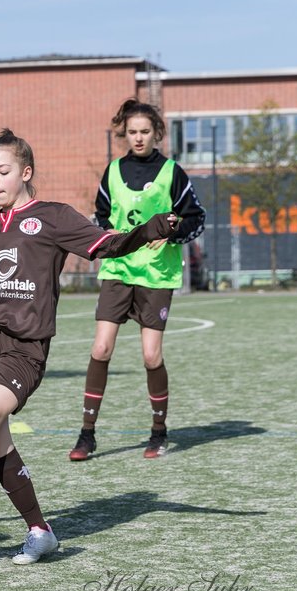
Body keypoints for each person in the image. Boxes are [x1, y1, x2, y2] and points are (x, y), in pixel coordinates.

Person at [0, 129, 178, 563]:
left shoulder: (53, 216)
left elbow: (105, 244)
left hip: (24, 347)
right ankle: (40, 530)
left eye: (4, 171)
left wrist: (145, 231)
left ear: (26, 172)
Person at [68, 99, 205, 463]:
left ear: (156, 133)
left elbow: (196, 217)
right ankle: (87, 434)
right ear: (123, 134)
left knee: (150, 355)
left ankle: (158, 432)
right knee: (100, 349)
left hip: (157, 272)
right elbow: (99, 217)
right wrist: (104, 232)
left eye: (145, 131)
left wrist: (173, 235)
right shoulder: (112, 171)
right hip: (118, 269)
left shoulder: (172, 172)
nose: (139, 137)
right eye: (132, 132)